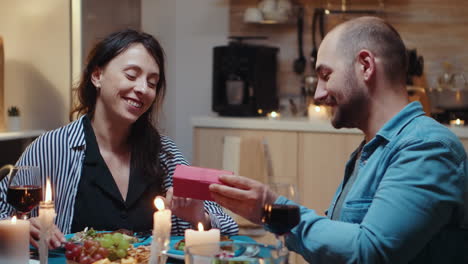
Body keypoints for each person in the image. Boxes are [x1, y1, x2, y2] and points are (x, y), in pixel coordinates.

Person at [210, 16, 467, 263]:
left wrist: (272, 209)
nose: (318, 94)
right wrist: (269, 210)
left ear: (365, 66)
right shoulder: (370, 150)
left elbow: (369, 252)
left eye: (326, 75)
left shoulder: (427, 148)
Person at [0, 29, 238, 249]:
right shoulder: (52, 147)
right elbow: (3, 210)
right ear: (97, 75)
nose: (143, 89)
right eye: (132, 75)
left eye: (152, 83)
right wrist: (18, 228)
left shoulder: (163, 152)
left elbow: (229, 228)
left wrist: (200, 218)